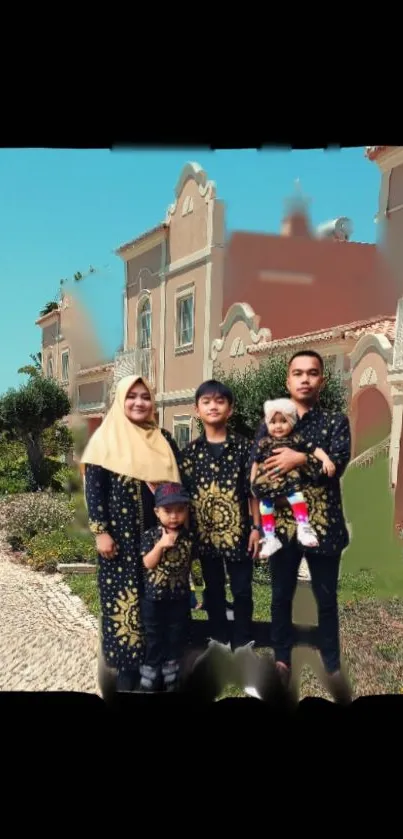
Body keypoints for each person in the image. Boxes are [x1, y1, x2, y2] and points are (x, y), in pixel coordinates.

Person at [254, 350, 352, 704]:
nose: (305, 378)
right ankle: (281, 658)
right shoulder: (271, 422)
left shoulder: (335, 422)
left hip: (323, 526)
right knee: (281, 597)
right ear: (288, 380)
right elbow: (259, 473)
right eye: (298, 373)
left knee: (326, 599)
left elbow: (336, 465)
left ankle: (331, 660)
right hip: (280, 528)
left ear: (321, 380)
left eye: (312, 373)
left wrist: (299, 458)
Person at [81, 374, 182, 694]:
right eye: (131, 396)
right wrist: (100, 532)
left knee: (156, 601)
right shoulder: (105, 439)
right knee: (122, 602)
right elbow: (95, 491)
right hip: (120, 540)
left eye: (145, 396)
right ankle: (126, 666)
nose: (139, 402)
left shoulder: (164, 438)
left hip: (158, 537)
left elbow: (179, 487)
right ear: (120, 400)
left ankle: (156, 662)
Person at [180, 379, 261, 696]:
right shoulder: (190, 454)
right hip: (205, 536)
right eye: (207, 401)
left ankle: (243, 648)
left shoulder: (245, 448)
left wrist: (257, 528)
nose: (213, 406)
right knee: (212, 590)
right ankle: (217, 644)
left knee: (242, 591)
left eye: (220, 401)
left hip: (240, 534)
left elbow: (252, 492)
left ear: (231, 409)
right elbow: (183, 499)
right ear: (197, 409)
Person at [250, 397, 335, 558]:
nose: (278, 426)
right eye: (273, 422)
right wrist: (252, 483)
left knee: (297, 497)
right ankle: (270, 538)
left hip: (289, 481)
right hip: (267, 482)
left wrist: (326, 459)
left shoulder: (295, 439)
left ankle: (303, 527)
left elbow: (314, 449)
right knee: (265, 507)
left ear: (291, 422)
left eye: (283, 421)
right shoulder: (264, 443)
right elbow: (255, 461)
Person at [139, 482, 193, 692]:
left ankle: (171, 673)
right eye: (168, 511)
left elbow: (191, 567)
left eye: (179, 510)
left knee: (174, 635)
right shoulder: (151, 536)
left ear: (186, 511)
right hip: (153, 598)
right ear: (157, 512)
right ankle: (150, 674)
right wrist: (160, 545)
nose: (173, 516)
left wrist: (194, 593)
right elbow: (147, 563)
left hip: (178, 597)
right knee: (153, 636)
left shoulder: (188, 538)